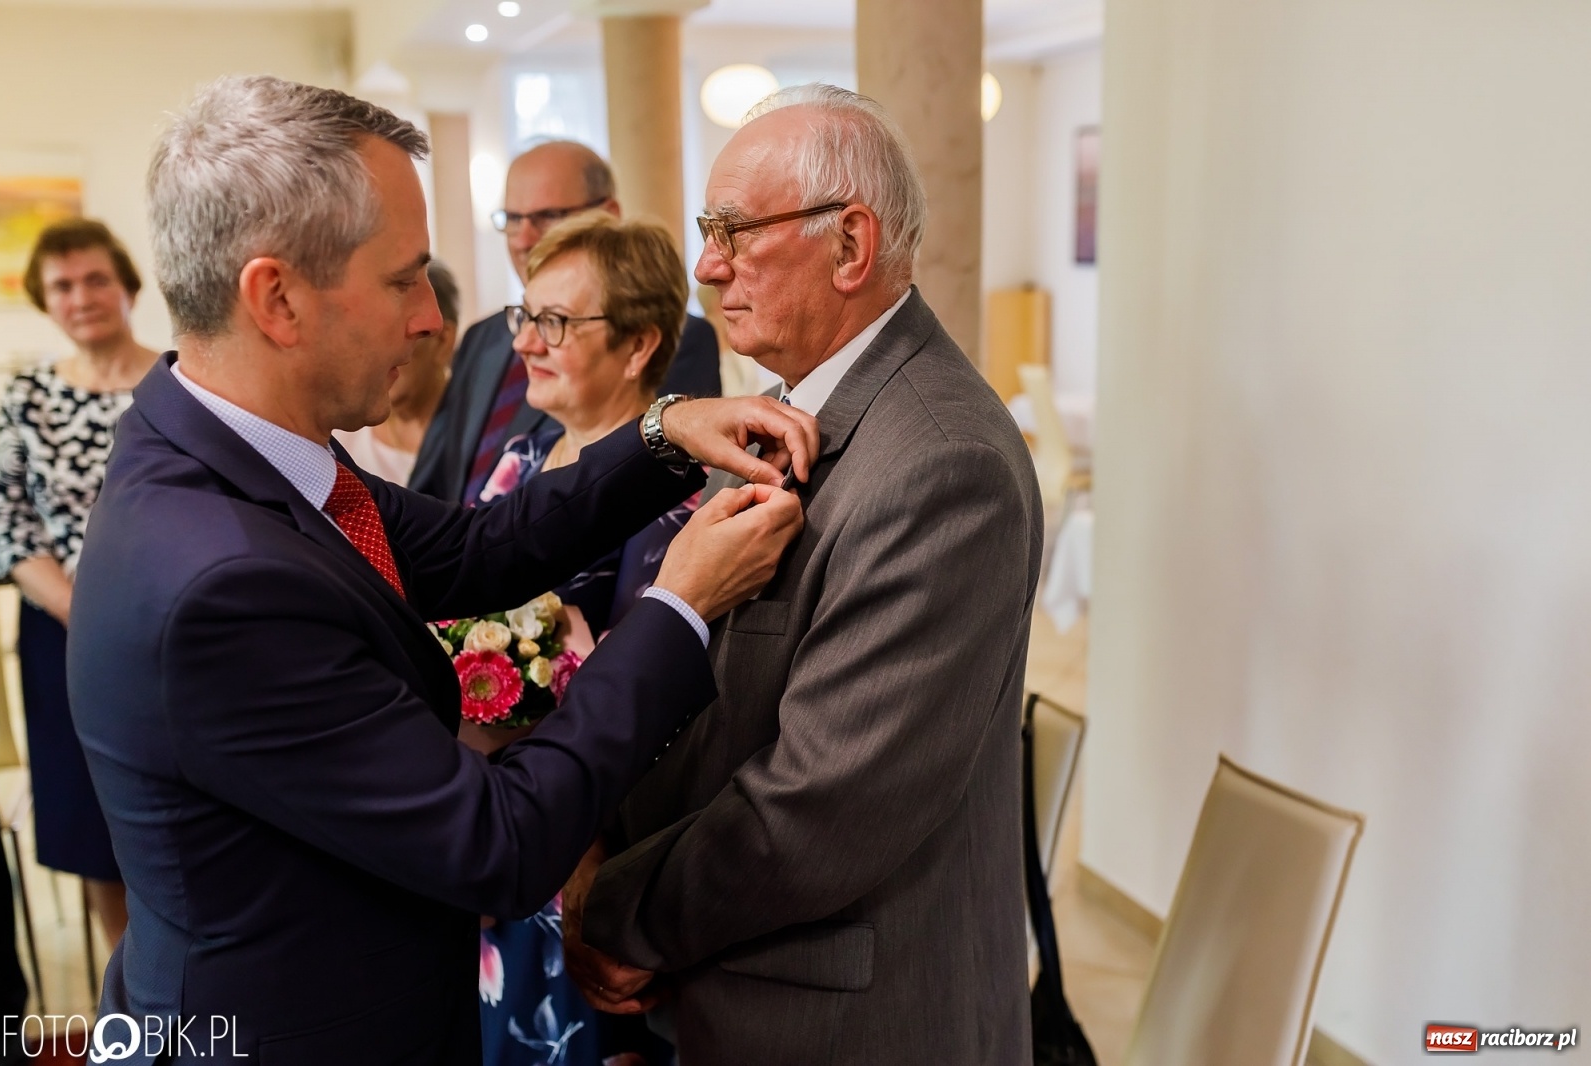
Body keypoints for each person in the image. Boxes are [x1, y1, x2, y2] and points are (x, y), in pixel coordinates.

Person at [65, 75, 814, 1064]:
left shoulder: (233, 447)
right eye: (403, 278)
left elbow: (474, 550)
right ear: (275, 297)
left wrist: (665, 433)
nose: (431, 318)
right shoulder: (221, 582)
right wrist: (679, 604)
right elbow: (496, 843)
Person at [563, 84, 1045, 1065]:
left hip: (842, 1020)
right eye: (709, 231)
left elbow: (821, 803)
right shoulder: (803, 406)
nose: (706, 265)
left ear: (850, 245)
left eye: (734, 230)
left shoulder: (942, 463)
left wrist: (619, 908)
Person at [471, 213, 697, 1066]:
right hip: (497, 833)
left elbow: (649, 710)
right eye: (524, 316)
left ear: (640, 345)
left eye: (557, 323)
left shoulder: (674, 499)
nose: (527, 341)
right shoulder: (522, 455)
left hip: (586, 857)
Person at [0, 218, 157, 951]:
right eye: (62, 285)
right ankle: (131, 1006)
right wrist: (79, 609)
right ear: (44, 301)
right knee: (94, 825)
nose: (81, 296)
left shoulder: (178, 379)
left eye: (95, 278)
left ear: (126, 283)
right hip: (64, 637)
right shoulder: (24, 397)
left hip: (174, 631)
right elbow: (4, 520)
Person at [408, 140, 723, 504]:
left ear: (607, 213)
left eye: (547, 215)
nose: (523, 240)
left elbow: (662, 465)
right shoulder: (484, 338)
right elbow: (432, 483)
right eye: (512, 219)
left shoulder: (679, 338)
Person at [334, 258, 460, 485]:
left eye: (400, 332)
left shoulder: (476, 434)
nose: (378, 352)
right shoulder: (340, 437)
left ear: (443, 341)